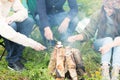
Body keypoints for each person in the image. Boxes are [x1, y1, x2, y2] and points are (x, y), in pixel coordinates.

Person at [67, 0, 120, 80]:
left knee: (117, 41)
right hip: (100, 43)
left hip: (115, 43)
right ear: (103, 6)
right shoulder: (98, 14)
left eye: (111, 9)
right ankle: (105, 70)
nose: (108, 11)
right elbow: (88, 32)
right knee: (108, 39)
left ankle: (115, 71)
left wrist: (109, 46)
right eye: (106, 8)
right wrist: (76, 37)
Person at [0, 0, 46, 71]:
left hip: (3, 23)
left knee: (28, 22)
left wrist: (11, 18)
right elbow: (10, 34)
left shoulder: (11, 0)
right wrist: (33, 44)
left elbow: (23, 12)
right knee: (12, 26)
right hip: (3, 28)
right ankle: (12, 61)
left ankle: (17, 55)